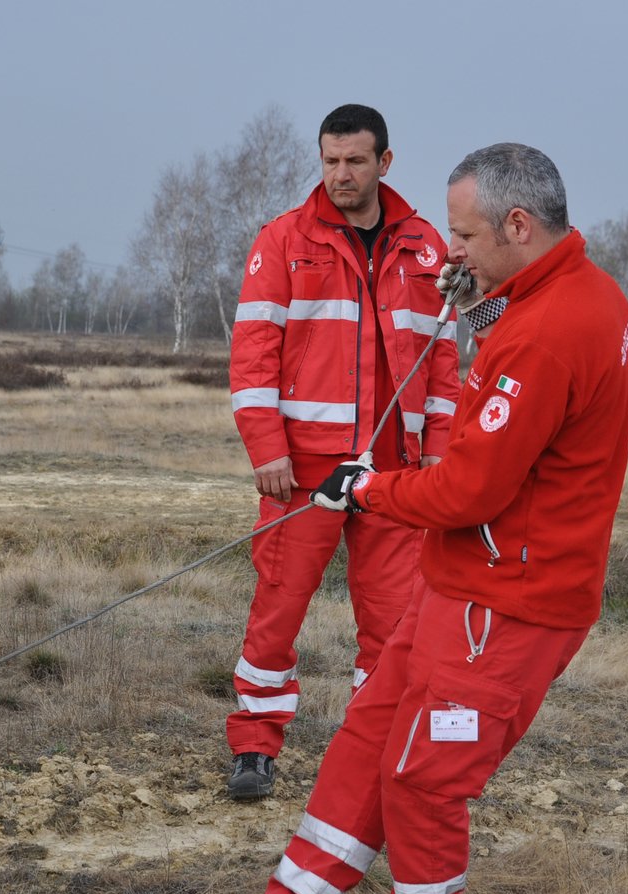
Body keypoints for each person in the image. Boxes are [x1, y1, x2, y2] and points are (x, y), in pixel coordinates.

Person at [183, 142, 628, 894]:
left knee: (426, 777)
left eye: (464, 236)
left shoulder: (549, 329)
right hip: (462, 585)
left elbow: (471, 483)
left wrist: (372, 487)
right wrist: (476, 315)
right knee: (366, 742)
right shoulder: (555, 299)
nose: (451, 253)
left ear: (518, 224)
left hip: (510, 604)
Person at [225, 103, 460, 799]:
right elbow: (252, 356)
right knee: (277, 610)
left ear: (384, 162)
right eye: (330, 161)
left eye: (355, 161)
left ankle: (372, 752)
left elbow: (445, 363)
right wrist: (265, 447)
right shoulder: (283, 240)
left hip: (397, 472)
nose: (341, 174)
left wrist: (440, 455)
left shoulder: (426, 248)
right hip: (301, 470)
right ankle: (255, 748)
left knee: (392, 625)